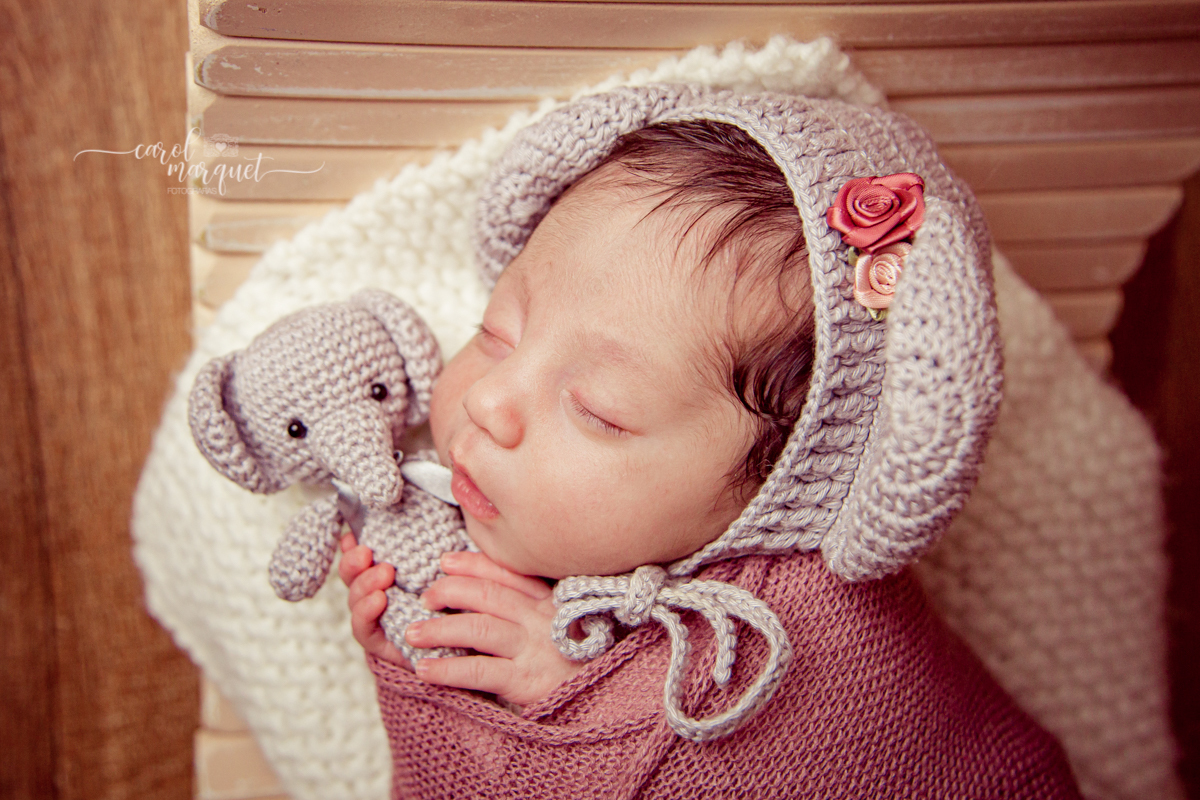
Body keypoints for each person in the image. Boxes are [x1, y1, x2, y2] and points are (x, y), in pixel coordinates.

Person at [339, 86, 1083, 798]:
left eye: (599, 411)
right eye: (496, 332)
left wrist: (577, 691)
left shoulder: (818, 646)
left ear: (777, 489)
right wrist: (414, 654)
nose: (486, 399)